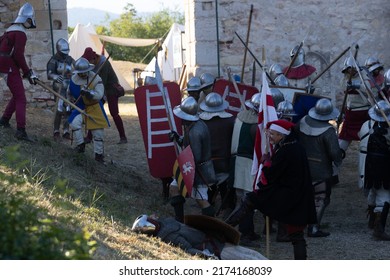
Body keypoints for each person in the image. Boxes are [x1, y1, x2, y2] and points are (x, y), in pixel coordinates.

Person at [226, 119, 317, 259]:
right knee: (296, 235)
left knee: (252, 199)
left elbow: (272, 175)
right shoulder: (294, 146)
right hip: (297, 195)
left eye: (273, 134)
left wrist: (267, 162)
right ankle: (226, 227)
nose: (270, 137)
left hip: (289, 195)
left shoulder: (286, 150)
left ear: (282, 135)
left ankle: (225, 229)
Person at [297, 98, 342, 237]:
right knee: (321, 198)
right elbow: (335, 152)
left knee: (304, 196)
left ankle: (300, 223)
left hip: (302, 166)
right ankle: (313, 228)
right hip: (321, 170)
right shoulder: (329, 131)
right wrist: (338, 160)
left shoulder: (302, 121)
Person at [131, 214, 267, 260]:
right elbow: (188, 249)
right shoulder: (169, 236)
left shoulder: (166, 223)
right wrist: (208, 256)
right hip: (216, 249)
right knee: (253, 260)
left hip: (218, 240)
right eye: (150, 218)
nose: (153, 217)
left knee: (254, 255)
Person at [168, 96, 217, 222]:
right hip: (194, 168)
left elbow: (195, 156)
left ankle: (212, 225)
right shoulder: (195, 124)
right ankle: (179, 220)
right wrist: (177, 137)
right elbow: (187, 145)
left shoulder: (195, 131)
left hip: (198, 171)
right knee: (175, 188)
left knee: (201, 200)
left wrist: (187, 171)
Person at [0, 3, 38, 141]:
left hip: (5, 65)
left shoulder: (10, 29)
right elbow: (18, 55)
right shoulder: (20, 33)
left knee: (17, 95)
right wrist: (27, 72)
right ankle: (21, 131)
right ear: (27, 19)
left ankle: (4, 120)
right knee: (21, 98)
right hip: (8, 66)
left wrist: (25, 71)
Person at [229, 93, 261, 243]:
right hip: (249, 163)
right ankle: (244, 233)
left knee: (241, 199)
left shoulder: (240, 117)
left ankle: (245, 231)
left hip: (237, 160)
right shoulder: (256, 125)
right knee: (247, 201)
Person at [199, 92, 235, 216]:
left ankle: (210, 208)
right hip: (224, 162)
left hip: (206, 163)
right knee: (225, 186)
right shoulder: (231, 120)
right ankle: (226, 208)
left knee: (210, 187)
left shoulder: (200, 121)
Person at [358, 100, 390, 240]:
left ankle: (372, 220)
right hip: (383, 164)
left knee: (372, 190)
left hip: (369, 163)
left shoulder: (366, 125)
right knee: (384, 195)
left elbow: (361, 135)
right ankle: (379, 228)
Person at [67, 57, 110, 163]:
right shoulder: (73, 79)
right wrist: (68, 104)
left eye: (84, 72)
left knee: (98, 133)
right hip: (80, 106)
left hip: (94, 106)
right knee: (75, 123)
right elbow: (69, 93)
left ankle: (98, 156)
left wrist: (89, 93)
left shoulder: (96, 78)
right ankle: (80, 146)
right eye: (80, 73)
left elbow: (99, 95)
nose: (82, 75)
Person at [82, 47, 127, 144]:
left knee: (114, 113)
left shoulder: (104, 63)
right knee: (95, 110)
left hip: (110, 89)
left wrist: (99, 96)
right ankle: (89, 138)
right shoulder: (93, 63)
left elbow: (103, 81)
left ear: (93, 59)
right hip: (100, 87)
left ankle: (123, 137)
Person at [338, 57, 372, 155]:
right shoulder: (346, 77)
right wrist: (348, 85)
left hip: (363, 112)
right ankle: (339, 153)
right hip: (350, 113)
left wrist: (356, 85)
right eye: (349, 69)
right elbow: (343, 87)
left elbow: (367, 89)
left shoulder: (363, 76)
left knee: (366, 135)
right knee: (344, 137)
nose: (350, 71)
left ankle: (367, 154)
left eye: (352, 68)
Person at [46, 38, 75, 141]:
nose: (65, 54)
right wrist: (55, 77)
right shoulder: (53, 60)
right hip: (59, 87)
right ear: (58, 50)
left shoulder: (70, 59)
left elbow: (76, 70)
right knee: (59, 109)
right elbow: (49, 74)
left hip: (69, 87)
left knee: (68, 109)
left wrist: (73, 74)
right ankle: (56, 131)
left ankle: (66, 130)